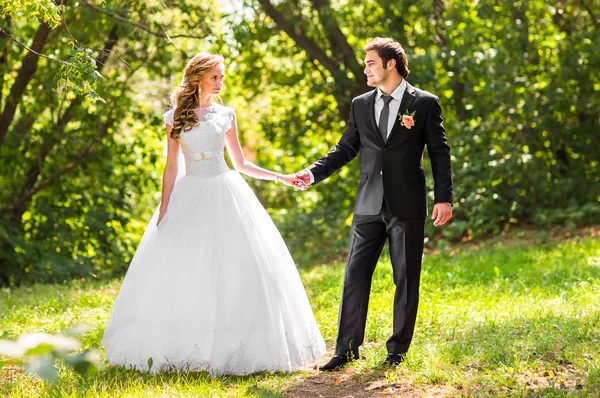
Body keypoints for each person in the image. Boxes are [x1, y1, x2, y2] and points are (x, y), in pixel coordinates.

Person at [102, 52, 325, 376]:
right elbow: (171, 166)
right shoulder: (175, 117)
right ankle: (189, 344)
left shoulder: (226, 115)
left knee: (239, 267)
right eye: (215, 77)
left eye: (221, 77)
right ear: (197, 79)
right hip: (190, 193)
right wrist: (165, 207)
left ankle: (241, 344)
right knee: (187, 271)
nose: (220, 83)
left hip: (226, 192)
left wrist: (280, 176)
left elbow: (241, 163)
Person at [296, 37, 454, 371]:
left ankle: (397, 352)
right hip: (368, 204)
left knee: (406, 279)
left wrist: (444, 198)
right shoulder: (360, 104)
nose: (365, 68)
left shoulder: (424, 103)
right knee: (354, 276)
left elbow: (440, 153)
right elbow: (345, 148)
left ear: (390, 63)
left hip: (407, 204)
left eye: (370, 63)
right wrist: (312, 174)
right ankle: (345, 350)